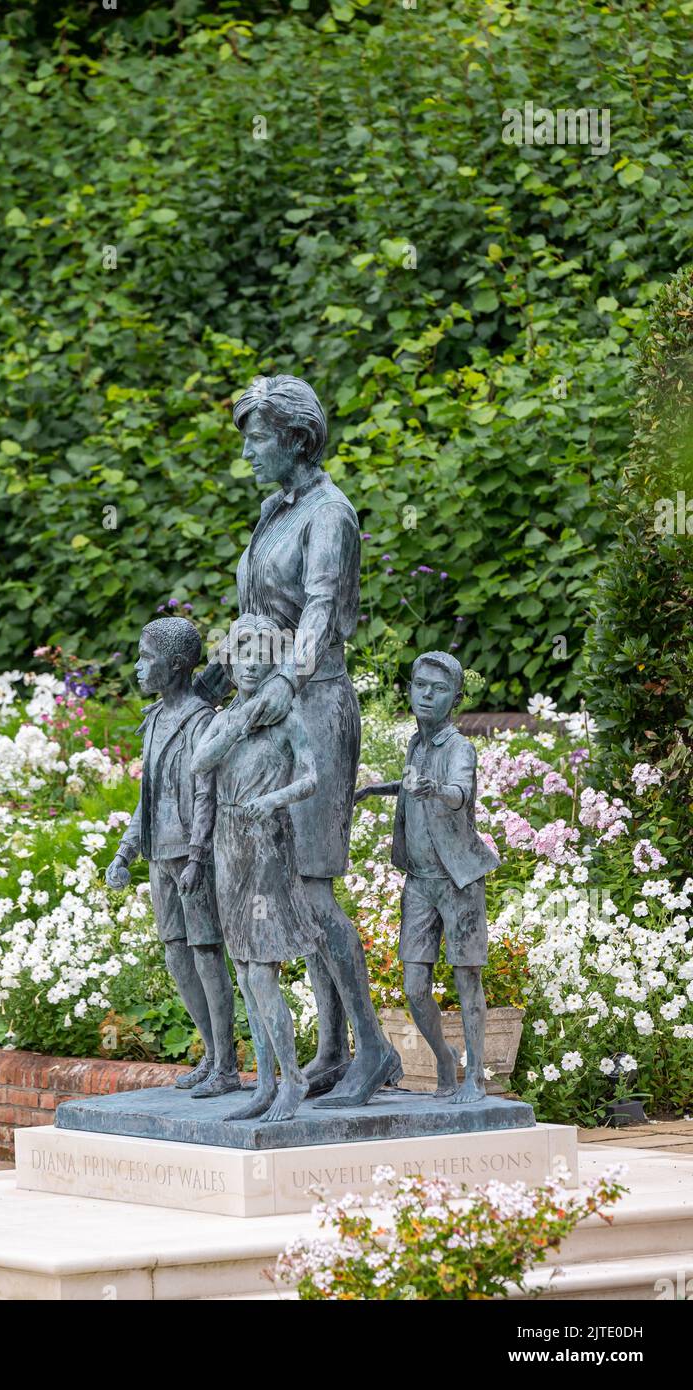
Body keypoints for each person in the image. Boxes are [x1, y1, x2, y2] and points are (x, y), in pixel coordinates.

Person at [194, 374, 400, 1107]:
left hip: (313, 707)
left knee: (311, 887)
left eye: (258, 438)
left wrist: (285, 679)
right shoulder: (272, 509)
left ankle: (374, 1048)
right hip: (269, 703)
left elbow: (317, 613)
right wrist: (220, 675)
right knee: (292, 887)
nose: (248, 451)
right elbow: (259, 613)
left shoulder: (330, 514)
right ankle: (335, 1052)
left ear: (297, 440)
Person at [191, 613, 323, 1122]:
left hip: (267, 843)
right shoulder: (229, 718)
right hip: (229, 845)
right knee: (243, 971)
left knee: (262, 969)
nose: (249, 665)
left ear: (273, 662)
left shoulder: (287, 716)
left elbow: (311, 778)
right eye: (241, 655)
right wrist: (243, 720)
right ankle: (264, 1081)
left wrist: (273, 801)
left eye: (260, 655)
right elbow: (201, 762)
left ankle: (293, 1079)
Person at [355, 651, 500, 1104]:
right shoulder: (416, 744)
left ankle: (474, 1075)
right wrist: (373, 789)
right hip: (419, 881)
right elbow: (411, 783)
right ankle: (444, 1057)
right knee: (414, 986)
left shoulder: (460, 748)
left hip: (458, 881)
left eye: (437, 690)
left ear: (455, 698)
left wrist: (436, 789)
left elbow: (460, 791)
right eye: (420, 686)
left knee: (466, 978)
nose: (426, 695)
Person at [105, 617, 240, 1098]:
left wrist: (198, 856)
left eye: (146, 658)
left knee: (206, 953)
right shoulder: (156, 719)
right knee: (177, 955)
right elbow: (150, 794)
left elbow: (208, 793)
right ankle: (211, 1054)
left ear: (177, 664)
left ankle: (227, 1064)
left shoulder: (200, 720)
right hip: (158, 852)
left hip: (190, 855)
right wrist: (125, 850)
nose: (138, 667)